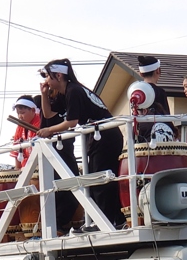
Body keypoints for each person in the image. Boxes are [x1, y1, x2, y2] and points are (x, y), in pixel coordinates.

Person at [37, 58, 124, 229]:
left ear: (59, 75)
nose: (46, 80)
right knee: (96, 177)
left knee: (100, 178)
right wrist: (44, 94)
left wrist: (50, 131)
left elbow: (71, 121)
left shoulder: (74, 91)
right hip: (99, 135)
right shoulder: (66, 92)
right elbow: (48, 114)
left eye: (48, 76)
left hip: (105, 135)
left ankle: (105, 222)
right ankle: (113, 220)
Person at [136, 55, 176, 143]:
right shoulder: (159, 92)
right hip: (159, 131)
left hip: (140, 130)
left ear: (141, 73)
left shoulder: (136, 91)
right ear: (157, 70)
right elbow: (166, 115)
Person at [10, 97, 43, 169]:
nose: (19, 116)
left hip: (40, 164)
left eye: (22, 113)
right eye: (18, 113)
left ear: (33, 110)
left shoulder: (40, 122)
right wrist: (17, 169)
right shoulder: (20, 126)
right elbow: (16, 148)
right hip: (25, 166)